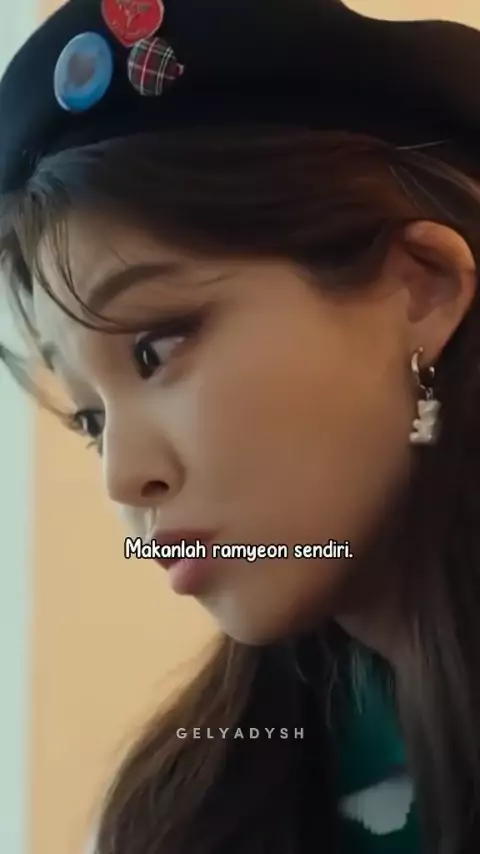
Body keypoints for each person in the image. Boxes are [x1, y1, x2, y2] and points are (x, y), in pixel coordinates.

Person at [1, 0, 480, 851]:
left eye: (155, 350)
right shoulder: (180, 813)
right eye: (90, 418)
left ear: (423, 286)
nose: (123, 476)